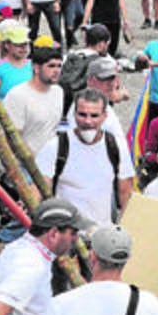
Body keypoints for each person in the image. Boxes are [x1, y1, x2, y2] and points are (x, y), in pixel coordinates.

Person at [37, 88, 136, 226]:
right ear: (74, 114)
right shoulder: (56, 147)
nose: (88, 121)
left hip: (101, 234)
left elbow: (125, 193)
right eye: (82, 115)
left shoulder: (116, 147)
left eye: (94, 116)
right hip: (65, 234)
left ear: (104, 116)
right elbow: (39, 189)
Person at [2, 45, 63, 154]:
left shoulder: (58, 91)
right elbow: (13, 139)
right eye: (51, 66)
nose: (56, 70)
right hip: (26, 164)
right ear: (36, 68)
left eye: (59, 66)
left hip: (52, 161)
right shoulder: (18, 95)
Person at [0, 25, 33, 99]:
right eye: (19, 44)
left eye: (25, 44)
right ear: (7, 45)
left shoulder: (33, 65)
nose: (23, 48)